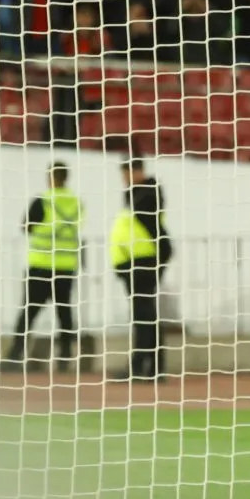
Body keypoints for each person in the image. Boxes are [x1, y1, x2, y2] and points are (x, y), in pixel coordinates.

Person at [2, 162, 83, 373]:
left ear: (50, 178)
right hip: (66, 265)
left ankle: (15, 354)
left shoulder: (43, 200)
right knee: (64, 312)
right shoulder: (76, 202)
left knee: (29, 312)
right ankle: (65, 356)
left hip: (41, 265)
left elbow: (25, 226)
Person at [108, 151, 173, 382]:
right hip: (136, 261)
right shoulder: (138, 193)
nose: (124, 178)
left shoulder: (145, 193)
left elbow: (151, 227)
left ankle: (142, 365)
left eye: (125, 173)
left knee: (143, 315)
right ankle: (153, 367)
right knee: (145, 315)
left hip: (143, 261)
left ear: (135, 171)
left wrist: (160, 255)